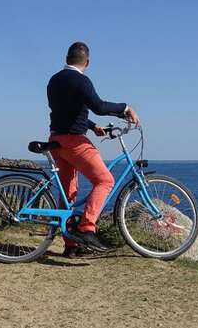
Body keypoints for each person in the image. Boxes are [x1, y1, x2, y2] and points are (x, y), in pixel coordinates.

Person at [47, 41, 140, 258]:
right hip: (74, 143)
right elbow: (98, 106)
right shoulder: (81, 80)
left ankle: (70, 245)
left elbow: (67, 111)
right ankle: (87, 228)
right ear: (87, 62)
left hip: (56, 140)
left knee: (68, 193)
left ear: (66, 58)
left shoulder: (54, 80)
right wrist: (125, 107)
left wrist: (91, 126)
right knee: (105, 181)